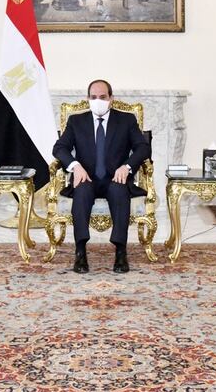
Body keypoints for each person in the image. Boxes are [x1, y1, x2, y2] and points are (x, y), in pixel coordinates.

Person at [52, 79, 151, 274]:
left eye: (103, 97)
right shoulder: (76, 121)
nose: (98, 100)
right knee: (81, 192)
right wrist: (75, 166)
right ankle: (80, 251)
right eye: (93, 97)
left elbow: (142, 147)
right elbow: (59, 148)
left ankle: (121, 251)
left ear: (111, 99)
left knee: (119, 191)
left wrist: (127, 166)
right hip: (86, 177)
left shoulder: (126, 120)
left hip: (116, 178)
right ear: (88, 99)